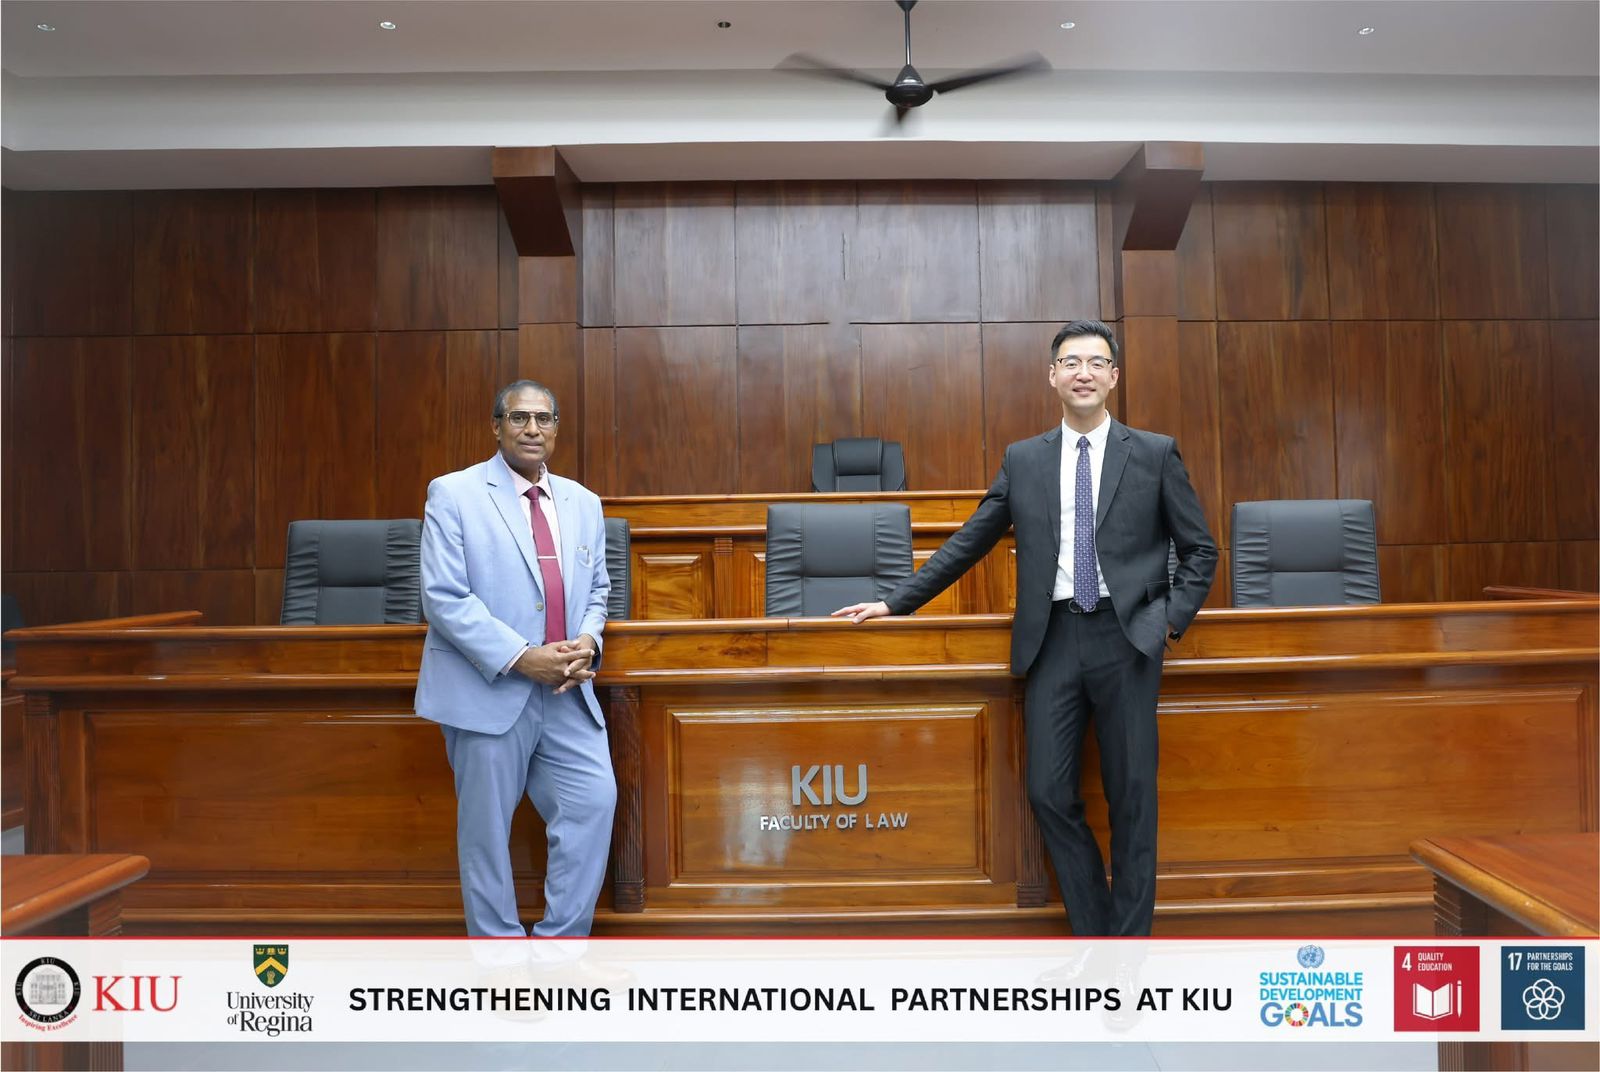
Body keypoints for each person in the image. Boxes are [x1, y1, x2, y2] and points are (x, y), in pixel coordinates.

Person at [835, 319, 1216, 936]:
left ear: (1114, 377)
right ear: (1052, 376)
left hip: (1128, 640)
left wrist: (1167, 622)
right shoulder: (1025, 459)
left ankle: (1126, 960)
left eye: (1096, 363)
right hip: (1053, 640)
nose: (1084, 373)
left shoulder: (1153, 452)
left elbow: (1200, 550)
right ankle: (1098, 937)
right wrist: (895, 603)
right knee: (1047, 791)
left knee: (1132, 800)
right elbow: (969, 541)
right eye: (1071, 363)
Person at [415, 379, 616, 939]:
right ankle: (497, 958)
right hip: (491, 689)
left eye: (543, 419)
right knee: (485, 833)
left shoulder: (584, 502)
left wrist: (588, 640)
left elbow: (598, 590)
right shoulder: (453, 493)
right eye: (519, 417)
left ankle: (560, 952)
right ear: (496, 426)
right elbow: (444, 598)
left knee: (593, 803)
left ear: (556, 429)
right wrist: (523, 657)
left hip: (567, 692)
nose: (532, 429)